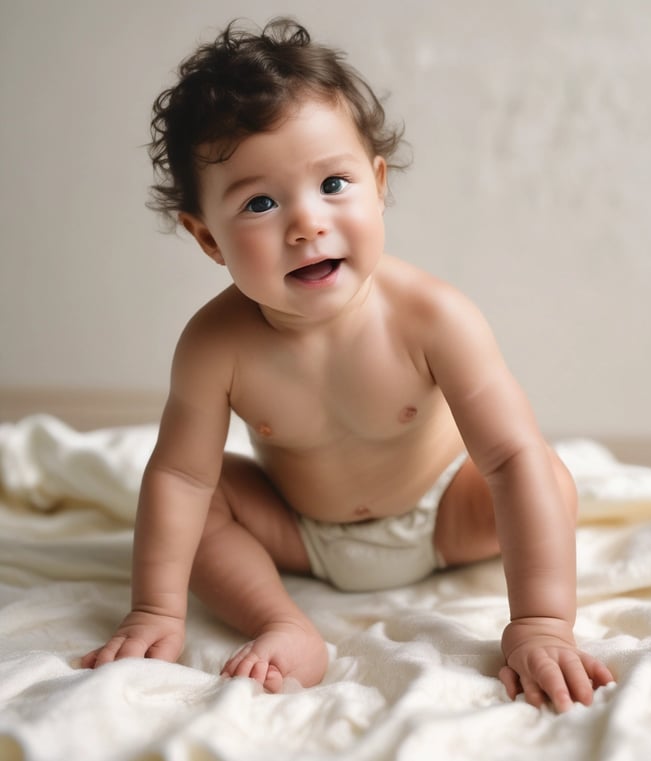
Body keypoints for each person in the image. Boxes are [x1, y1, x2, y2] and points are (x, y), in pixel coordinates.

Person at [82, 17, 613, 712]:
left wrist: (541, 622)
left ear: (378, 182)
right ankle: (284, 623)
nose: (306, 223)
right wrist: (156, 608)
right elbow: (182, 476)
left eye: (334, 183)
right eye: (261, 203)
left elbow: (509, 457)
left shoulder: (432, 316)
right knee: (193, 496)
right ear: (208, 237)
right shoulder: (215, 344)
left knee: (544, 473)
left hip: (446, 515)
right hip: (298, 531)